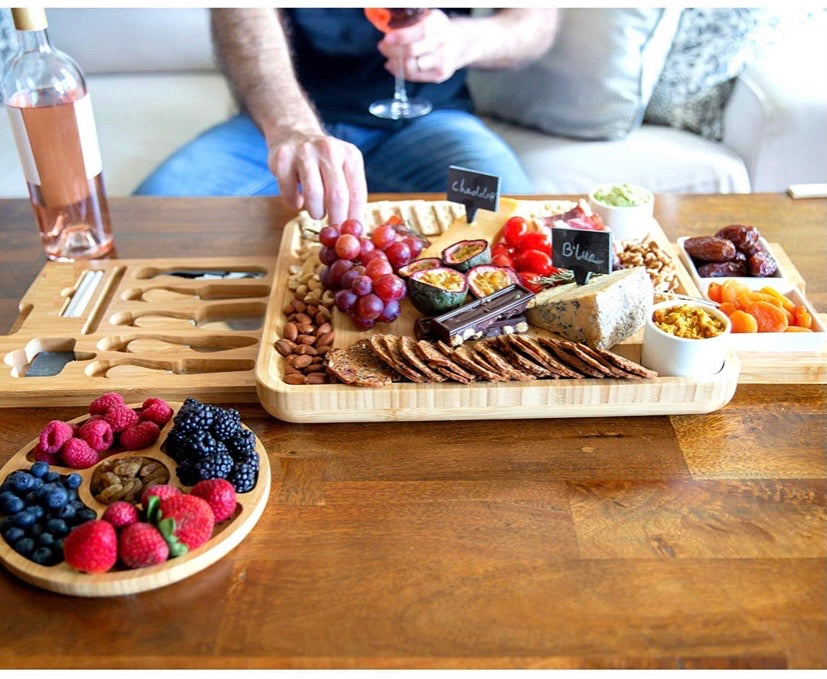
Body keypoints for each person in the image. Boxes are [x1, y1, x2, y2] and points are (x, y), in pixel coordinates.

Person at [134, 8, 559, 225]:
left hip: (432, 121)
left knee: (511, 221)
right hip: (286, 120)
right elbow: (240, 13)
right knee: (151, 222)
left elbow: (536, 20)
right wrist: (292, 127)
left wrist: (463, 39)